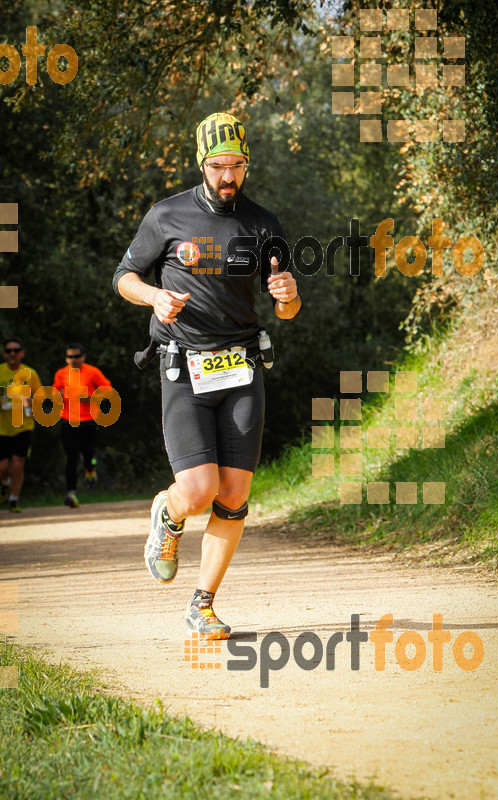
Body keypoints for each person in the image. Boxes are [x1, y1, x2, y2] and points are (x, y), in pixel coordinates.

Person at [114, 112, 301, 639]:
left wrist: (288, 300)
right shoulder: (166, 216)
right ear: (201, 164)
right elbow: (123, 276)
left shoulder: (264, 225)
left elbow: (285, 305)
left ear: (247, 165)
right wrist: (154, 296)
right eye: (218, 166)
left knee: (235, 494)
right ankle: (169, 517)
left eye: (237, 166)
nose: (227, 176)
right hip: (183, 364)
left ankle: (204, 604)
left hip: (241, 365)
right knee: (198, 491)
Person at [53, 343, 112, 508]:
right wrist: (59, 394)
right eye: (70, 357)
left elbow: (108, 390)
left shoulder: (92, 372)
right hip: (68, 421)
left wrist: (91, 397)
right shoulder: (61, 374)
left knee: (88, 454)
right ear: (66, 358)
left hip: (89, 421)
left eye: (76, 356)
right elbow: (54, 393)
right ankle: (71, 493)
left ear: (83, 356)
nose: (73, 359)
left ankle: (90, 470)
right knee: (71, 458)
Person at [0, 337, 42, 512]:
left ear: (22, 353)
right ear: (4, 354)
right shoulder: (0, 372)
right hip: (2, 428)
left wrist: (29, 401)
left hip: (24, 426)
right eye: (9, 351)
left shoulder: (30, 373)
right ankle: (5, 484)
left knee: (18, 463)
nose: (12, 354)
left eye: (16, 351)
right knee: (2, 467)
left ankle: (13, 500)